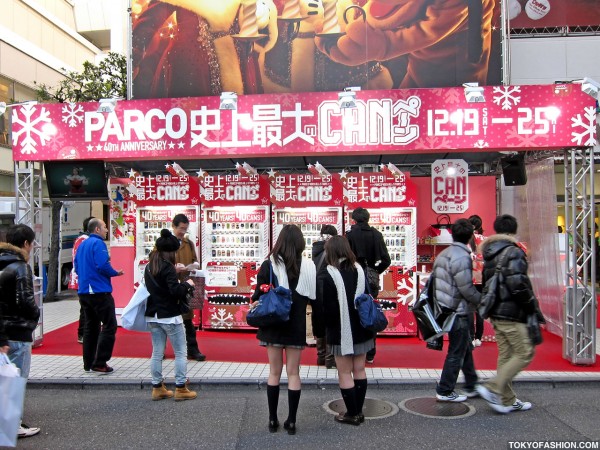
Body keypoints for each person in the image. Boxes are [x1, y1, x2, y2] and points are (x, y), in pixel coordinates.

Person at [251, 224, 316, 435]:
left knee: (274, 372)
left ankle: (272, 419)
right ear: (300, 243)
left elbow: (257, 296)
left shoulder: (268, 265)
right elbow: (313, 298)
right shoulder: (308, 265)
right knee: (294, 373)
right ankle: (291, 421)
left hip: (274, 325)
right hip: (296, 324)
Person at [476, 214, 542, 413]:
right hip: (512, 312)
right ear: (514, 230)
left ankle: (507, 399)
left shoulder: (490, 252)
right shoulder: (513, 252)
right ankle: (492, 387)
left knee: (506, 355)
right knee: (524, 352)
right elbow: (518, 284)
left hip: (496, 312)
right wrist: (532, 306)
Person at [319, 235, 375, 425]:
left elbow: (328, 308)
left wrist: (325, 330)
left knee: (344, 372)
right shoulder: (360, 269)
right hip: (363, 328)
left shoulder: (328, 274)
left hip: (341, 331)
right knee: (359, 369)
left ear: (331, 252)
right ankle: (359, 411)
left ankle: (352, 414)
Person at [145, 229, 197, 401]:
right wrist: (188, 284)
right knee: (181, 351)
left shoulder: (150, 265)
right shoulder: (167, 268)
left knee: (157, 352)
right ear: (170, 252)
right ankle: (181, 388)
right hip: (170, 315)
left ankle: (157, 387)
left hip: (153, 314)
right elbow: (175, 291)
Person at [432, 218, 481, 402]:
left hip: (446, 307)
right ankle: (445, 389)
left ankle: (471, 384)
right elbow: (466, 288)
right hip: (458, 310)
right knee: (457, 350)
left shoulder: (444, 254)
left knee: (464, 347)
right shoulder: (461, 256)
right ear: (470, 236)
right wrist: (481, 301)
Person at [0, 224, 41, 438]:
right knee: (16, 381)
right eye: (32, 243)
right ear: (26, 243)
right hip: (18, 331)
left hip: (3, 332)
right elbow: (27, 301)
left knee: (4, 381)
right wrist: (34, 317)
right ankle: (13, 425)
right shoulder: (20, 267)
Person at [74, 218, 124, 373]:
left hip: (84, 291)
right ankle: (100, 361)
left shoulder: (82, 245)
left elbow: (76, 266)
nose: (107, 230)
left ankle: (88, 362)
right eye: (104, 227)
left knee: (90, 327)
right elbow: (103, 265)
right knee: (110, 325)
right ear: (97, 229)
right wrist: (115, 273)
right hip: (99, 290)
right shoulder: (98, 244)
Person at [345, 207, 390, 364]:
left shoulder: (349, 235)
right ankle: (370, 352)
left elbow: (344, 259)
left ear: (354, 219)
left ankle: (356, 348)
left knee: (353, 311)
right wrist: (375, 270)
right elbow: (387, 260)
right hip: (371, 278)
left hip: (353, 276)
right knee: (370, 309)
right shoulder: (377, 235)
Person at [172, 213, 205, 362]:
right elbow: (156, 263)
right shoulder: (165, 243)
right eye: (181, 228)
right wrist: (174, 269)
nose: (183, 231)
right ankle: (158, 351)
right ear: (173, 226)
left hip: (185, 285)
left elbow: (195, 261)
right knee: (166, 321)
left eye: (185, 229)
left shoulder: (189, 244)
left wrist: (194, 266)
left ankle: (193, 349)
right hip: (170, 285)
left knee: (187, 319)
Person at [312, 224, 337, 369]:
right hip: (329, 287)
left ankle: (320, 356)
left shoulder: (316, 247)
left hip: (316, 288)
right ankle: (329, 358)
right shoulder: (332, 249)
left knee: (319, 320)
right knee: (330, 321)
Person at [69, 216, 94, 344]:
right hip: (83, 278)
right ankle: (83, 333)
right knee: (85, 307)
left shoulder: (82, 239)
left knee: (86, 307)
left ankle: (84, 332)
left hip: (83, 277)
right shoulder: (84, 240)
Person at [468, 214, 486, 347]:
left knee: (469, 309)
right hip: (482, 278)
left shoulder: (466, 240)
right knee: (480, 310)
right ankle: (478, 337)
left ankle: (470, 336)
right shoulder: (485, 240)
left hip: (468, 279)